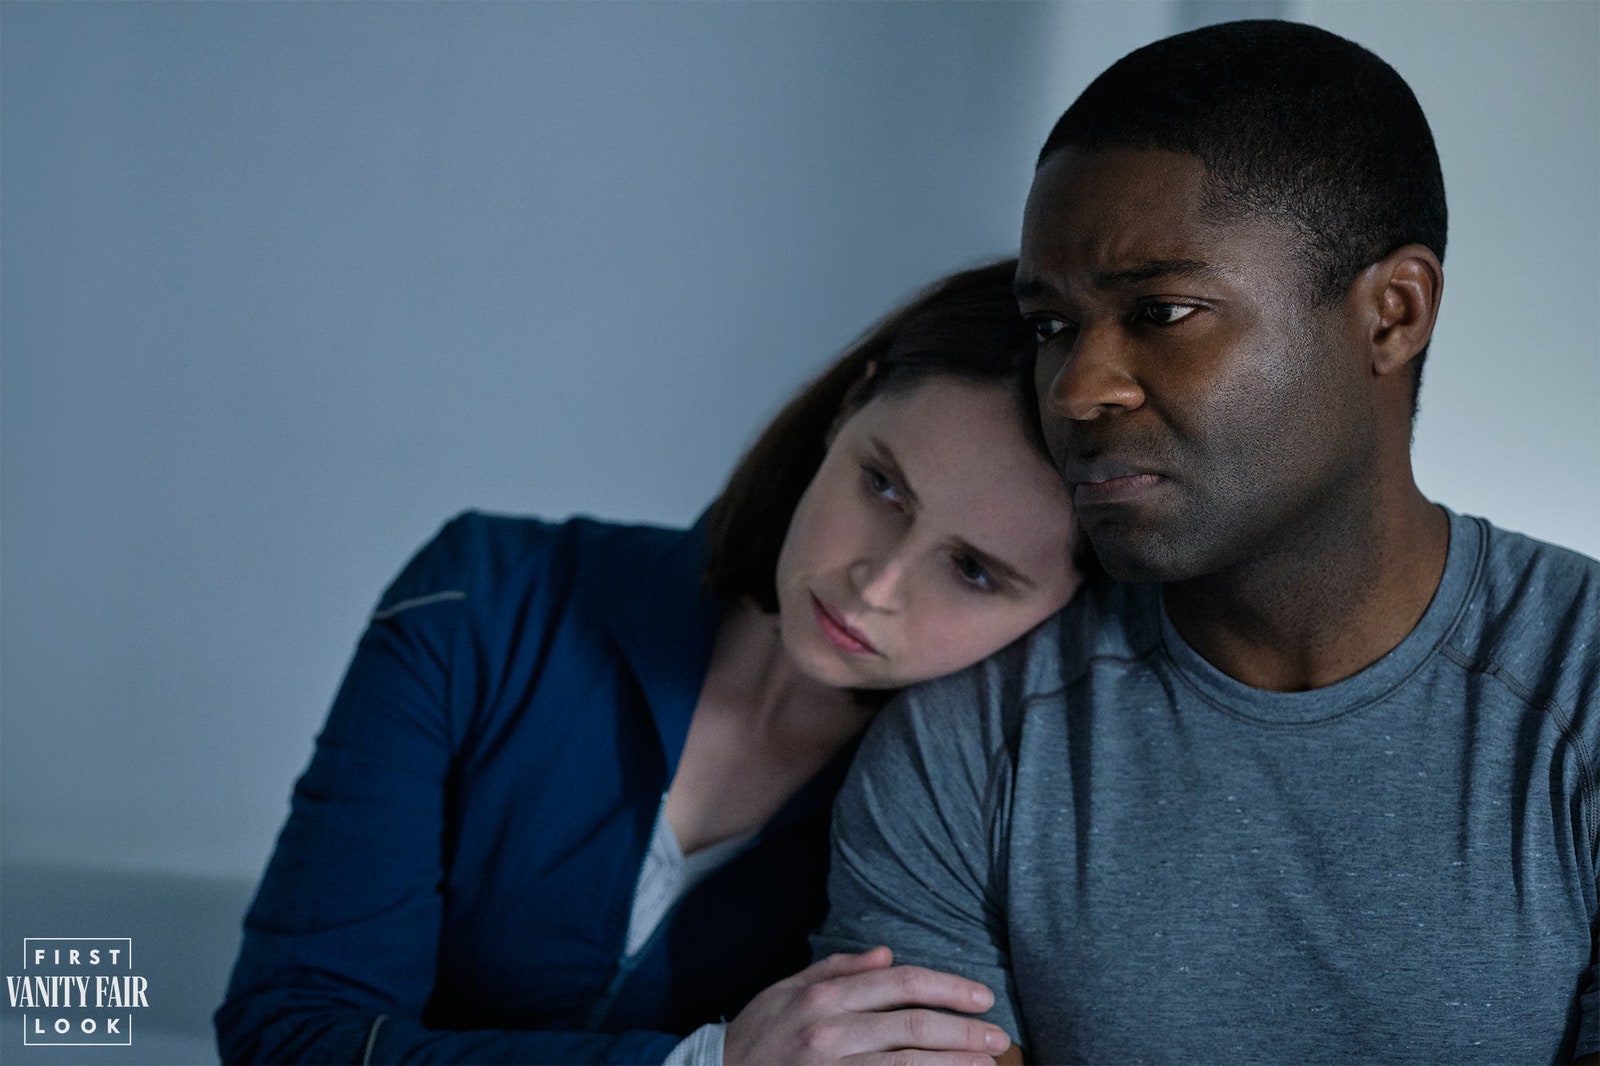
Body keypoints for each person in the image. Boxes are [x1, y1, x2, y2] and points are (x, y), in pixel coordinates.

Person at [816, 20, 1600, 1064]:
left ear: (1392, 314)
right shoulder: (969, 741)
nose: (1078, 389)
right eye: (1051, 327)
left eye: (1162, 311)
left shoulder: (1580, 683)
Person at [215, 260, 1084, 1065]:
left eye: (974, 571)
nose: (878, 585)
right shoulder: (480, 601)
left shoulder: (980, 818)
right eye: (883, 486)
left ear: (1065, 608)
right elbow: (288, 1031)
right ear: (849, 405)